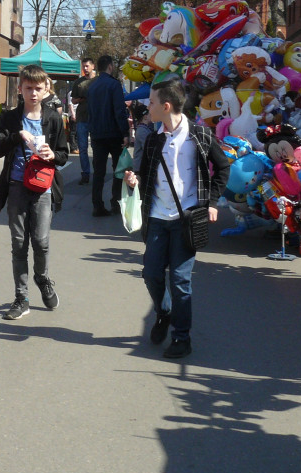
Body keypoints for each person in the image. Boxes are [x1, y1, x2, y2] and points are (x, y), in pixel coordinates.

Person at [124, 78, 231, 360]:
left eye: (152, 102)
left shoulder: (199, 135)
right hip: (157, 217)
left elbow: (222, 168)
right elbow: (145, 174)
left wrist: (212, 201)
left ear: (166, 105)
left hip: (187, 220)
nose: (148, 107)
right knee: (151, 274)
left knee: (181, 281)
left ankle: (182, 338)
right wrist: (133, 180)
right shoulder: (153, 137)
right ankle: (164, 313)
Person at [0, 64, 69, 319]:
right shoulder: (11, 118)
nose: (33, 93)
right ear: (20, 89)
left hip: (43, 188)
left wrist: (52, 155)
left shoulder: (54, 118)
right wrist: (17, 136)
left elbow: (63, 153)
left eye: (38, 88)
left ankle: (43, 278)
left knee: (41, 241)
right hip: (16, 186)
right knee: (18, 244)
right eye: (28, 88)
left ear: (46, 89)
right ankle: (21, 297)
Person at [86, 55, 130, 216]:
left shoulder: (92, 86)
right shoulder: (114, 84)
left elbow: (90, 111)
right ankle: (116, 202)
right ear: (110, 66)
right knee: (118, 169)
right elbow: (119, 111)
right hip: (113, 133)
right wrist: (125, 132)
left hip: (97, 134)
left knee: (98, 172)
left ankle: (97, 205)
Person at [70, 58, 97, 183]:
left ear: (93, 66)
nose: (85, 69)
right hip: (82, 118)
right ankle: (85, 173)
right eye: (83, 66)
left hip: (96, 118)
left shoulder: (97, 81)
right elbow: (73, 100)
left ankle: (98, 172)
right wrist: (80, 99)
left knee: (97, 147)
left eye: (87, 66)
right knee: (82, 147)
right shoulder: (78, 82)